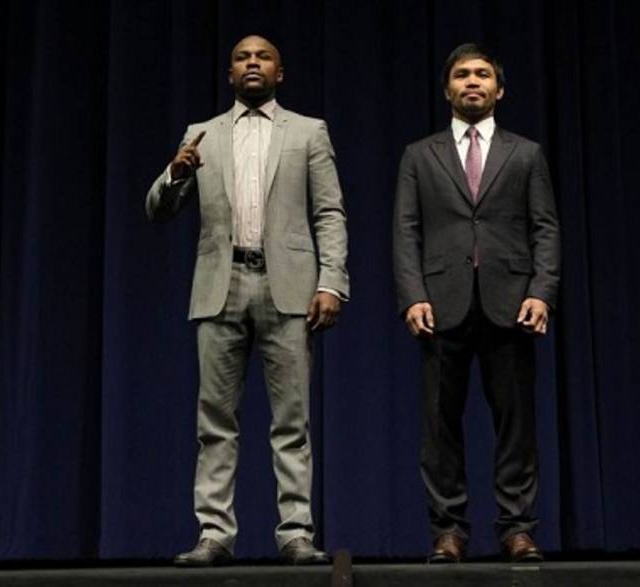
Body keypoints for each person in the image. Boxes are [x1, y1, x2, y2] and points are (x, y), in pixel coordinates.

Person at [146, 35, 349, 566]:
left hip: (289, 287)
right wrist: (175, 173)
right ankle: (214, 533)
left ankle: (296, 533)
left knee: (292, 421)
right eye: (242, 57)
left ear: (279, 73)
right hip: (222, 284)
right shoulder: (202, 134)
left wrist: (331, 282)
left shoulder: (308, 131)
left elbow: (329, 212)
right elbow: (158, 210)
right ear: (230, 74)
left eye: (263, 57)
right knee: (215, 420)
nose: (252, 63)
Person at [392, 43, 560, 563]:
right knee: (439, 427)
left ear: (499, 90)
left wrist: (541, 292)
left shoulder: (526, 154)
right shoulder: (419, 155)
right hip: (441, 306)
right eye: (462, 74)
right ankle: (448, 532)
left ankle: (517, 529)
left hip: (510, 304)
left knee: (516, 424)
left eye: (482, 74)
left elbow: (545, 228)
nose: (472, 81)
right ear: (447, 90)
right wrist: (413, 296)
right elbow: (406, 230)